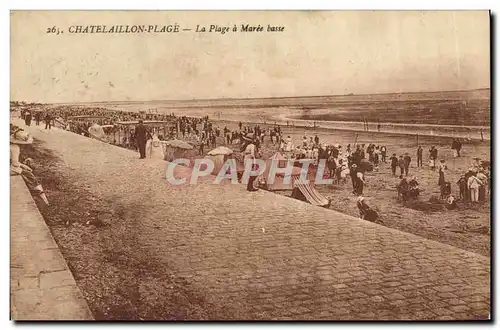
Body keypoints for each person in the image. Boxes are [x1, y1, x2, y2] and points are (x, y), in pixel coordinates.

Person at [10, 127, 49, 205]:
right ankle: (43, 197)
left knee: (27, 173)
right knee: (29, 174)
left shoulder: (12, 146)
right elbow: (14, 163)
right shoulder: (15, 148)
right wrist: (23, 166)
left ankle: (38, 193)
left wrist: (22, 165)